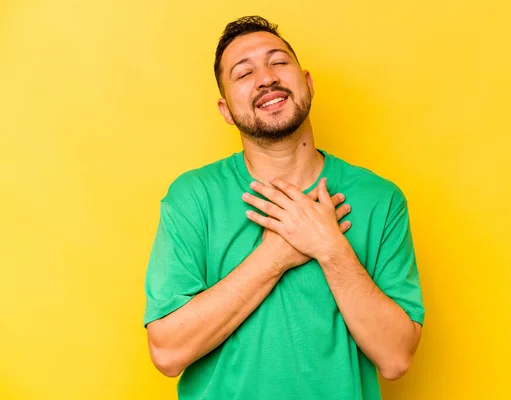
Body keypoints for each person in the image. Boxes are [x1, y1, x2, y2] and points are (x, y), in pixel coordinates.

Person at [143, 15, 425, 400]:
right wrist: (276, 255)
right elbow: (167, 352)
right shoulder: (191, 198)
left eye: (278, 62)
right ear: (226, 111)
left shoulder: (381, 199)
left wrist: (329, 246)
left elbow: (396, 358)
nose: (266, 78)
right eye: (244, 73)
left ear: (307, 83)